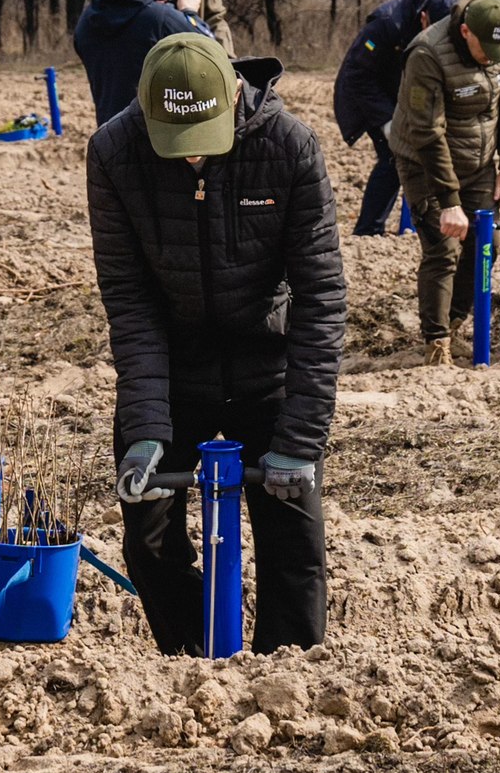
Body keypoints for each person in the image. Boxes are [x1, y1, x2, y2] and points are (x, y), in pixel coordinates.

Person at [87, 33, 346, 655]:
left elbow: (321, 299)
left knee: (294, 540)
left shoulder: (289, 148)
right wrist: (147, 426)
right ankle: (193, 665)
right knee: (148, 535)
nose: (191, 162)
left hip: (267, 362)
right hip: (173, 370)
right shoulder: (114, 153)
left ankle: (290, 671)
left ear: (234, 97)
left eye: (204, 146)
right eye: (176, 148)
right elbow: (130, 299)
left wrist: (300, 441)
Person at [387, 0, 500, 366]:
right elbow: (426, 132)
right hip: (424, 161)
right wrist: (449, 201)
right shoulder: (427, 54)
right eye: (487, 49)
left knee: (488, 245)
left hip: (478, 163)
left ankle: (453, 320)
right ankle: (436, 343)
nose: (494, 56)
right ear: (465, 31)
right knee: (443, 246)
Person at [332, 0, 456, 236]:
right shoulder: (386, 25)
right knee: (393, 157)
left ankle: (416, 225)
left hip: (403, 95)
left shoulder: (450, 22)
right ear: (423, 17)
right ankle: (368, 231)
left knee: (424, 153)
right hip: (368, 97)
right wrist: (388, 121)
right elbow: (358, 76)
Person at [73, 0, 211, 125]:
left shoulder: (86, 21)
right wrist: (188, 13)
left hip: (108, 135)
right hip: (153, 136)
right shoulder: (159, 19)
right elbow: (210, 50)